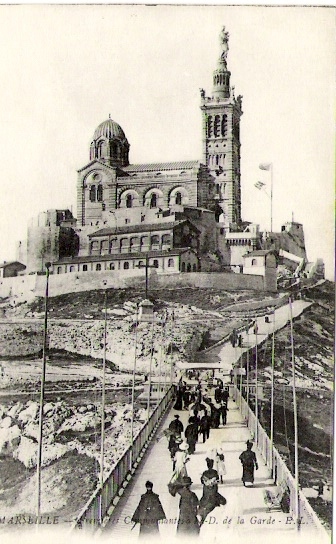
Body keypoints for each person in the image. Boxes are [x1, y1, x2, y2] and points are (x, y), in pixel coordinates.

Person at [198, 458, 226, 525]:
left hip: (206, 490)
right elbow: (217, 480)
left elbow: (202, 481)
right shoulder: (215, 472)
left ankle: (202, 515)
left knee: (204, 499)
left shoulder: (205, 473)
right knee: (219, 500)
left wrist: (207, 482)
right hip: (213, 490)